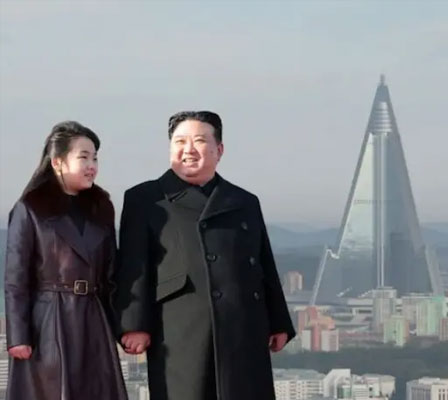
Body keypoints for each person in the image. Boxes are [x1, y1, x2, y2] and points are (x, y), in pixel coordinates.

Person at [114, 110, 296, 400]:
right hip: (179, 325)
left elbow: (263, 263)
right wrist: (133, 325)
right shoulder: (145, 198)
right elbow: (133, 265)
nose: (188, 149)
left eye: (199, 141)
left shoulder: (244, 200)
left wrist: (278, 321)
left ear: (219, 150)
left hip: (243, 326)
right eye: (179, 142)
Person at [4, 121, 128, 400]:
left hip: (94, 321)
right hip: (48, 323)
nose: (92, 166)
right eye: (83, 157)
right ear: (57, 162)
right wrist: (19, 337)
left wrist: (123, 329)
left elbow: (112, 277)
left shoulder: (101, 208)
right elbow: (16, 279)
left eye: (95, 158)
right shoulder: (30, 208)